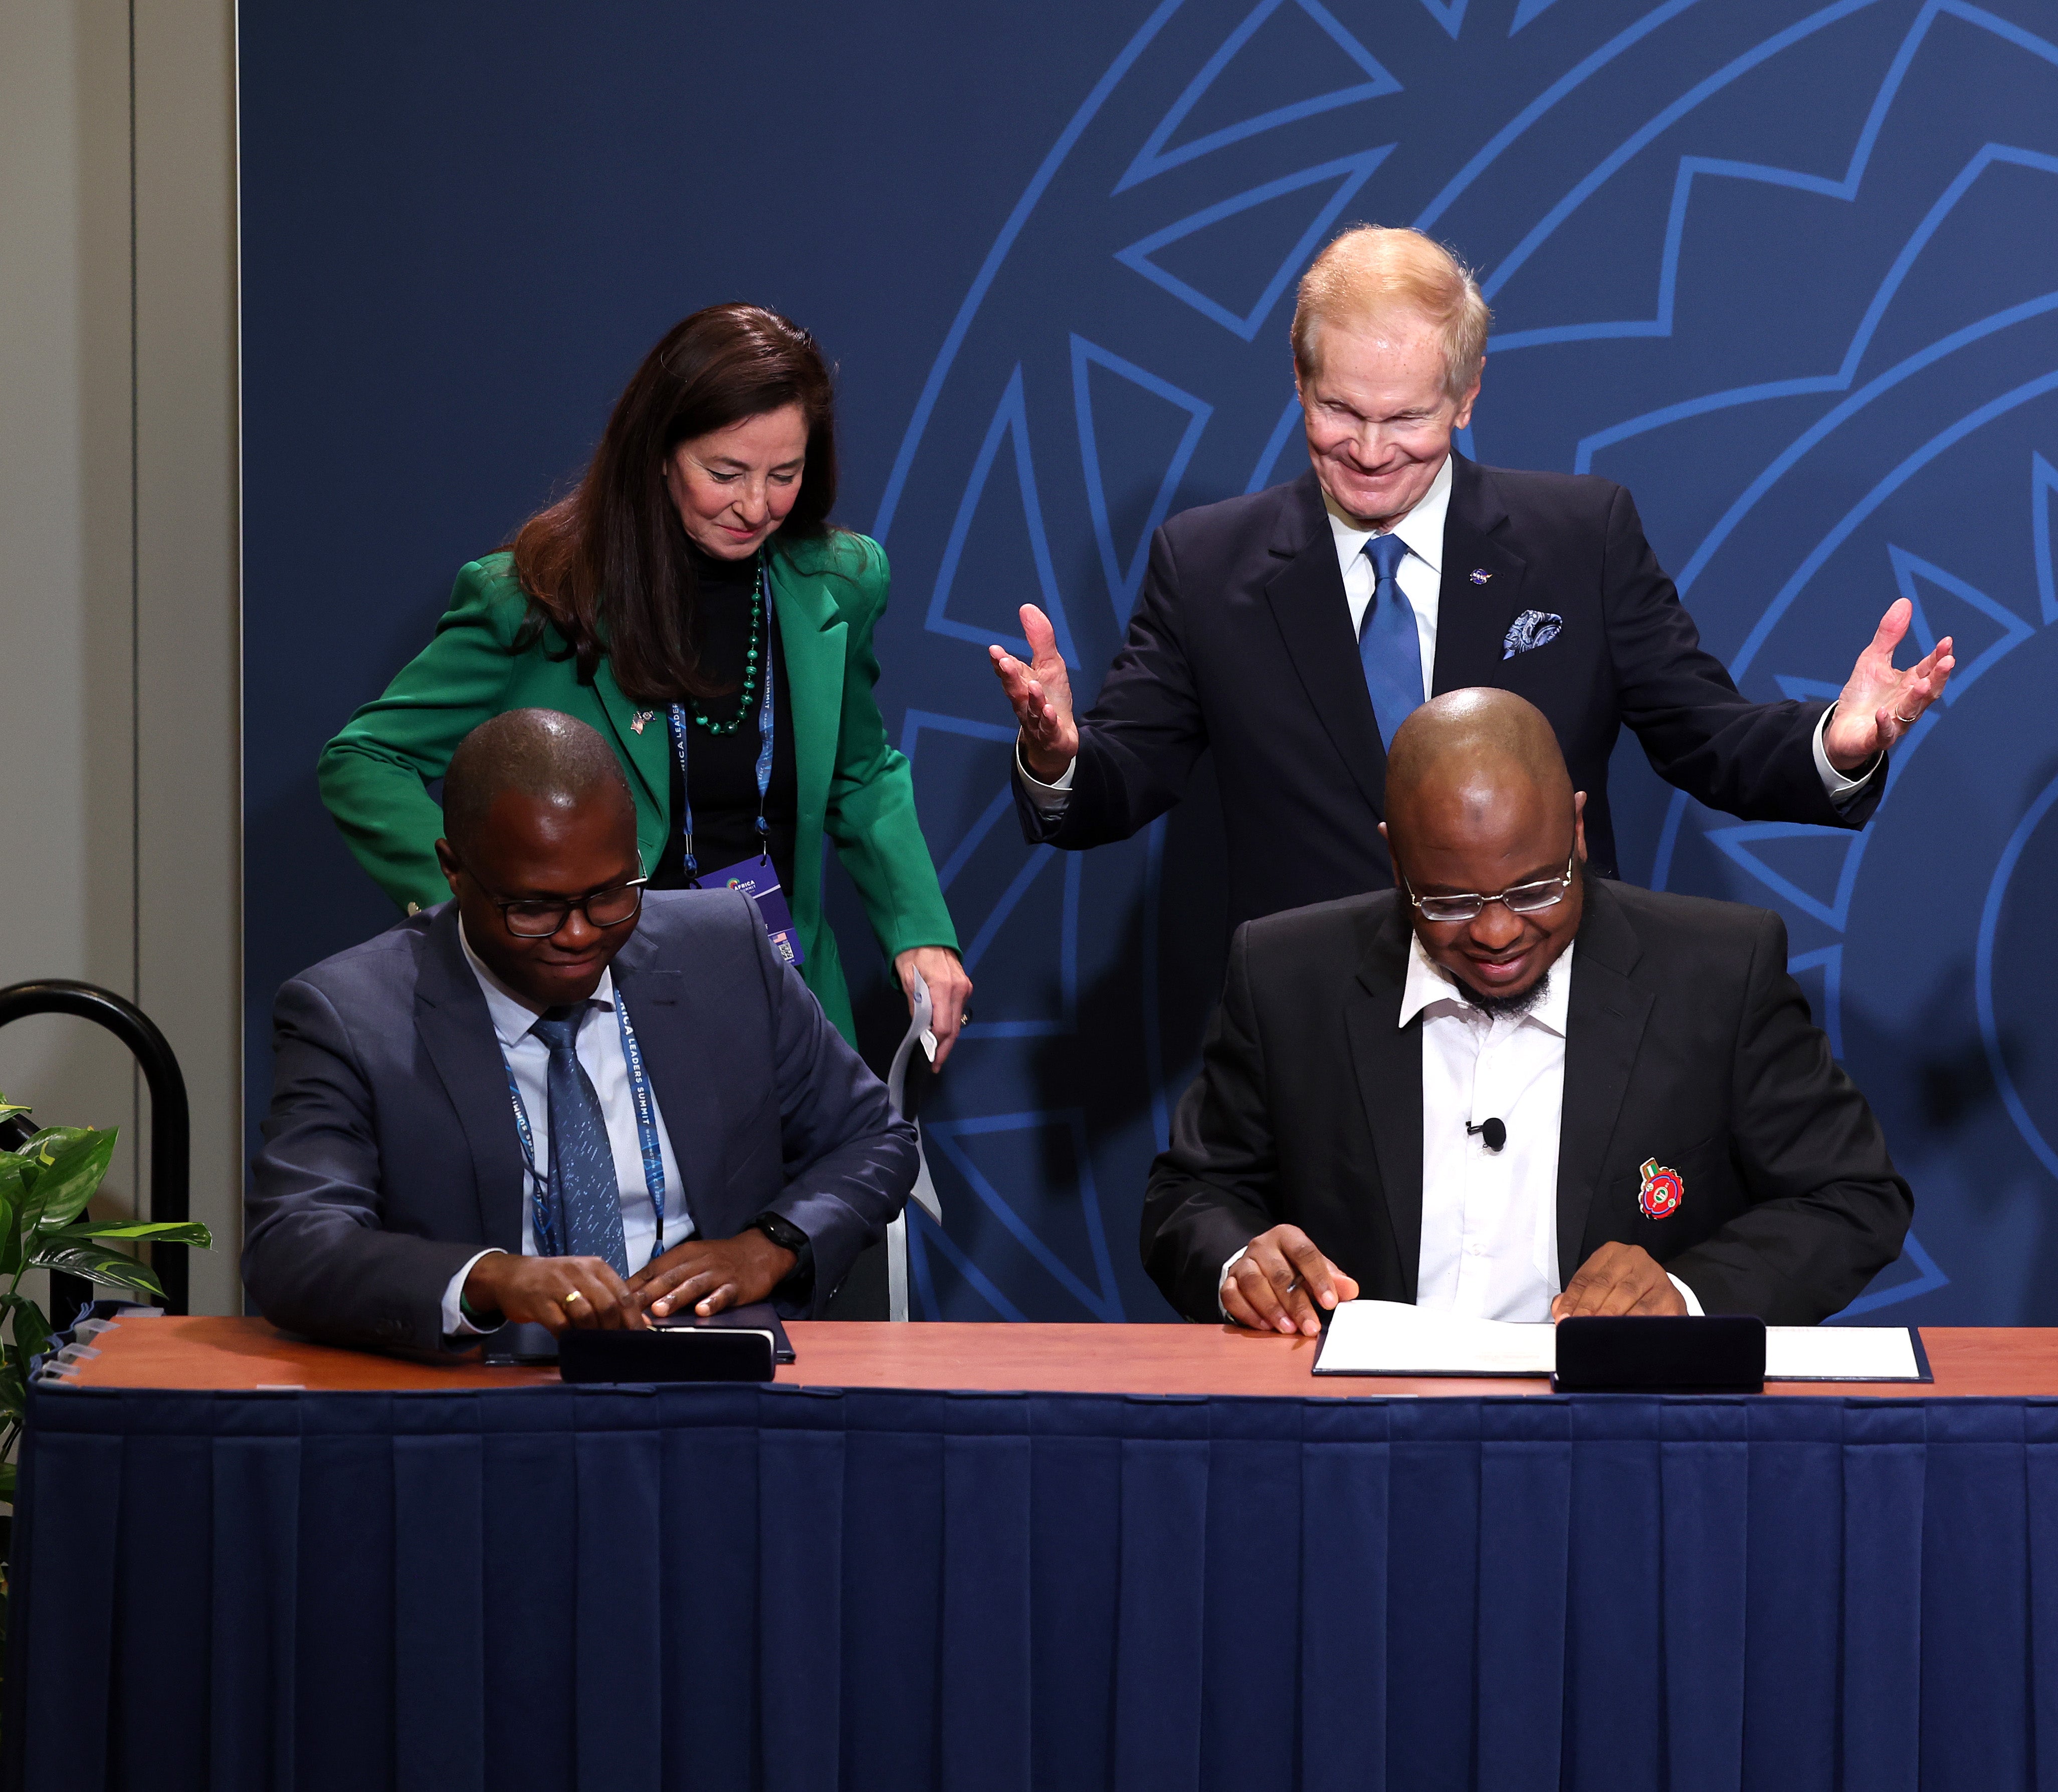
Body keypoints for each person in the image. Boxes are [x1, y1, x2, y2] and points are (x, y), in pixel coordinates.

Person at [990, 225, 1956, 932]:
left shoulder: (1583, 538)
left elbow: (1709, 740)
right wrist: (1058, 755)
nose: (1370, 450)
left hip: (1551, 1024)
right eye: (1339, 410)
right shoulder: (1206, 564)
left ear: (1468, 394)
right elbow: (1117, 784)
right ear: (1296, 379)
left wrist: (1839, 739)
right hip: (1320, 1045)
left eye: (1408, 417)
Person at [1140, 688, 1911, 1330]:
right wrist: (1239, 1262)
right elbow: (1189, 1198)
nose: (1499, 932)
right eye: (1448, 900)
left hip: (1619, 1436)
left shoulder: (1716, 971)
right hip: (1362, 1437)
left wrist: (1686, 1295)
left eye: (1538, 888)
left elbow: (1852, 1197)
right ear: (1394, 857)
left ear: (1577, 830)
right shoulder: (1286, 975)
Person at [318, 303, 971, 1060]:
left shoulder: (841, 582)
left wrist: (919, 931)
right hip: (593, 1019)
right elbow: (363, 761)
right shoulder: (533, 599)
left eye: (783, 475)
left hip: (784, 1002)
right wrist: (484, 909)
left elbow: (859, 774)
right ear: (660, 453)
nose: (756, 505)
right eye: (724, 473)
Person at [250, 709, 916, 1352]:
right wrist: (485, 1280)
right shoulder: (351, 1012)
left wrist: (768, 1246)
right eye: (533, 907)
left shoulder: (723, 949)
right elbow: (295, 1242)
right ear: (453, 869)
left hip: (709, 1376)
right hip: (483, 1391)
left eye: (609, 895)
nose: (577, 935)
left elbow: (873, 1139)